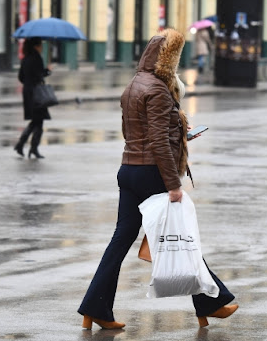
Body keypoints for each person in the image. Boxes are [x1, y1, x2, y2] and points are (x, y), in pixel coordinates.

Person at [77, 28, 238, 330]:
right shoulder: (160, 91)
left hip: (129, 170)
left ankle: (95, 307)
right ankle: (212, 301)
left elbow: (134, 133)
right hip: (153, 172)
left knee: (120, 240)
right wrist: (174, 185)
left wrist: (180, 135)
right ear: (168, 61)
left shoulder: (134, 86)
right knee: (182, 238)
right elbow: (159, 143)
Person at [14, 37, 51, 159]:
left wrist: (28, 83)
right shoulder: (36, 58)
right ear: (36, 46)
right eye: (41, 45)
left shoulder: (25, 58)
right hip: (37, 93)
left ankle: (22, 145)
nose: (42, 48)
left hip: (28, 92)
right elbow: (40, 75)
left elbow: (21, 77)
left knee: (36, 121)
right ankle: (32, 148)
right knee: (38, 122)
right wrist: (48, 71)